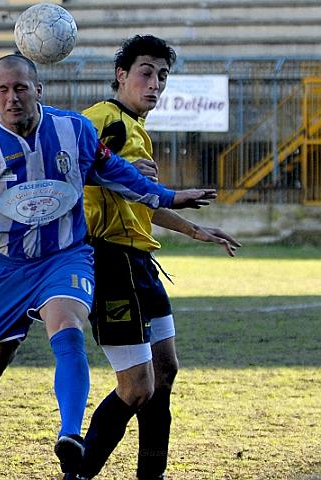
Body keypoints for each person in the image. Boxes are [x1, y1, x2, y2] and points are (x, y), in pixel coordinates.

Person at [0, 53, 217, 477]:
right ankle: (21, 324)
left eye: (21, 88)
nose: (12, 97)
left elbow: (113, 172)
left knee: (69, 327)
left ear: (38, 90)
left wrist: (167, 197)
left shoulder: (74, 129)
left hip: (67, 255)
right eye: (3, 90)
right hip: (7, 270)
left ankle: (71, 435)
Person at [75, 35, 242, 480]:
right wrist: (115, 178)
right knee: (135, 387)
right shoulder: (101, 119)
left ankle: (152, 474)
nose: (155, 84)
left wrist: (194, 230)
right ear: (121, 76)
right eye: (146, 73)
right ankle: (78, 471)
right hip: (109, 260)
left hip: (141, 263)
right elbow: (65, 168)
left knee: (165, 371)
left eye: (162, 76)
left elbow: (141, 196)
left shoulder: (135, 128)